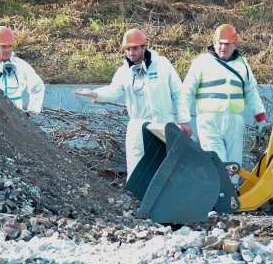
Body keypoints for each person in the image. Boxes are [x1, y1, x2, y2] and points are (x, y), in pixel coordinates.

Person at [72, 28, 193, 179]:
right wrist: (95, 94)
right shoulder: (124, 72)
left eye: (135, 48)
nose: (131, 53)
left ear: (144, 47)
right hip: (138, 125)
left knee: (165, 167)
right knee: (136, 168)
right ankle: (134, 200)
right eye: (128, 49)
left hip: (163, 123)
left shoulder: (162, 65)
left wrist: (184, 120)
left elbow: (178, 92)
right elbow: (113, 91)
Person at [182, 24, 268, 185]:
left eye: (227, 43)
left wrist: (261, 116)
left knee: (234, 162)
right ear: (214, 43)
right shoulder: (201, 62)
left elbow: (251, 92)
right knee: (216, 159)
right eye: (220, 43)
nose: (223, 47)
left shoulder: (243, 64)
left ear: (235, 45)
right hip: (209, 120)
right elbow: (187, 91)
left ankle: (230, 196)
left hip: (234, 120)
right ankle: (217, 196)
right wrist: (183, 118)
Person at [0, 26, 45, 118]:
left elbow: (38, 87)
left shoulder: (21, 66)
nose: (7, 50)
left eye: (10, 46)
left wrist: (32, 111)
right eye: (3, 46)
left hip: (16, 122)